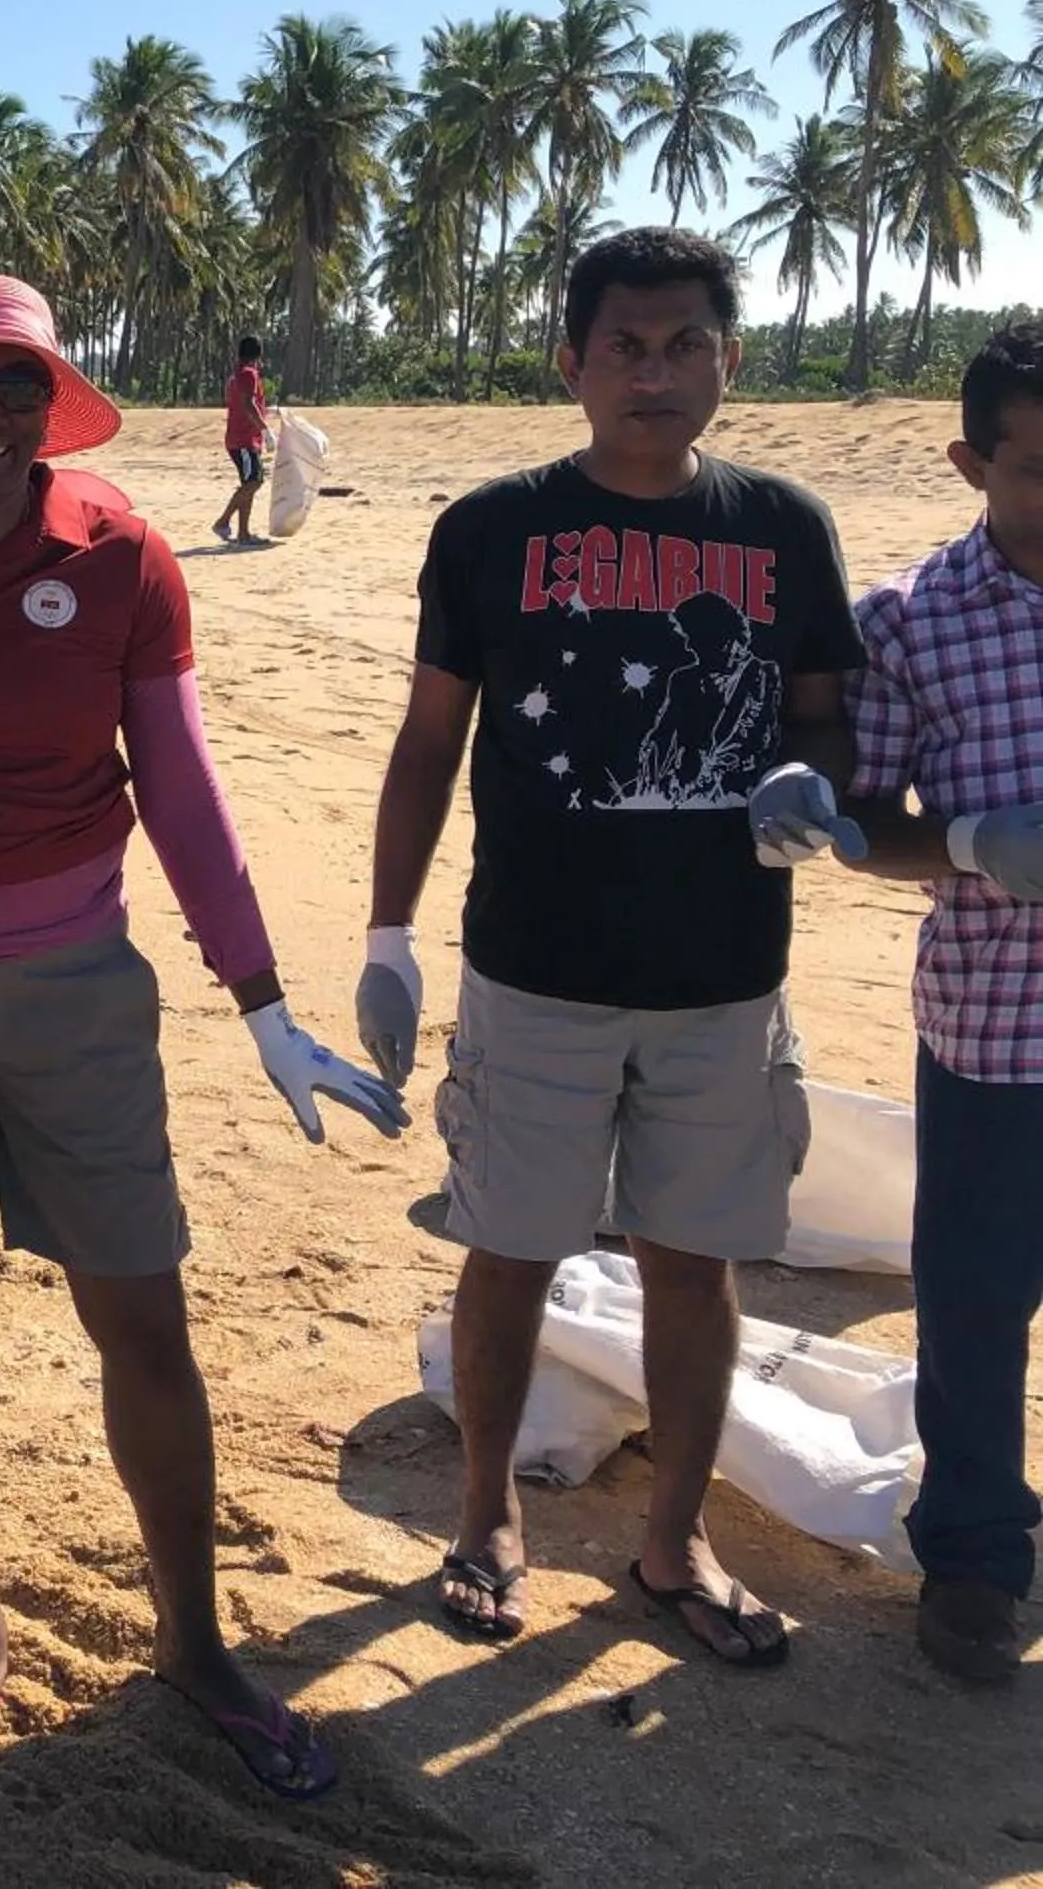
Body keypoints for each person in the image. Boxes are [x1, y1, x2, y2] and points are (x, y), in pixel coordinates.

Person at [0, 274, 401, 1800]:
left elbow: (181, 779)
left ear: (48, 405)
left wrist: (260, 997)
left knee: (144, 1309)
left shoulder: (125, 552)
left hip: (78, 976)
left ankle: (194, 1644)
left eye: (18, 388)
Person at [359, 226, 861, 1668]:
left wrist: (809, 780)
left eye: (687, 343)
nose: (657, 373)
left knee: (693, 1263)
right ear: (570, 361)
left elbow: (821, 703)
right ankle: (485, 1515)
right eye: (626, 347)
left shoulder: (785, 526)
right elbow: (427, 743)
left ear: (730, 359)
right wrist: (388, 930)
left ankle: (674, 1537)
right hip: (534, 968)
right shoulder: (492, 529)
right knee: (509, 1249)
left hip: (724, 975)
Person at [836, 320, 1043, 1687]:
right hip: (993, 1030)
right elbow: (860, 816)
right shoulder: (912, 622)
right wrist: (971, 842)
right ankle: (973, 1552)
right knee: (974, 1306)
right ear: (972, 460)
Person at [213, 335, 268, 543]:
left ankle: (243, 533)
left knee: (248, 484)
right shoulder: (249, 374)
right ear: (258, 354)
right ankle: (223, 521)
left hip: (242, 438)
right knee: (255, 481)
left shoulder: (236, 375)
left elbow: (245, 403)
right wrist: (265, 429)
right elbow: (248, 404)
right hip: (244, 440)